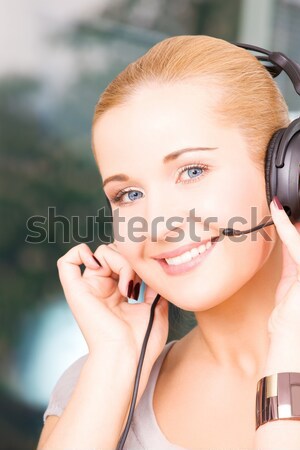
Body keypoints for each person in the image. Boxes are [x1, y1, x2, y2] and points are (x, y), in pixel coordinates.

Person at [36, 35, 300, 449]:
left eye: (192, 171)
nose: (156, 226)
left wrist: (289, 361)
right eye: (129, 195)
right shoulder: (96, 387)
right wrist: (115, 362)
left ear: (285, 174)